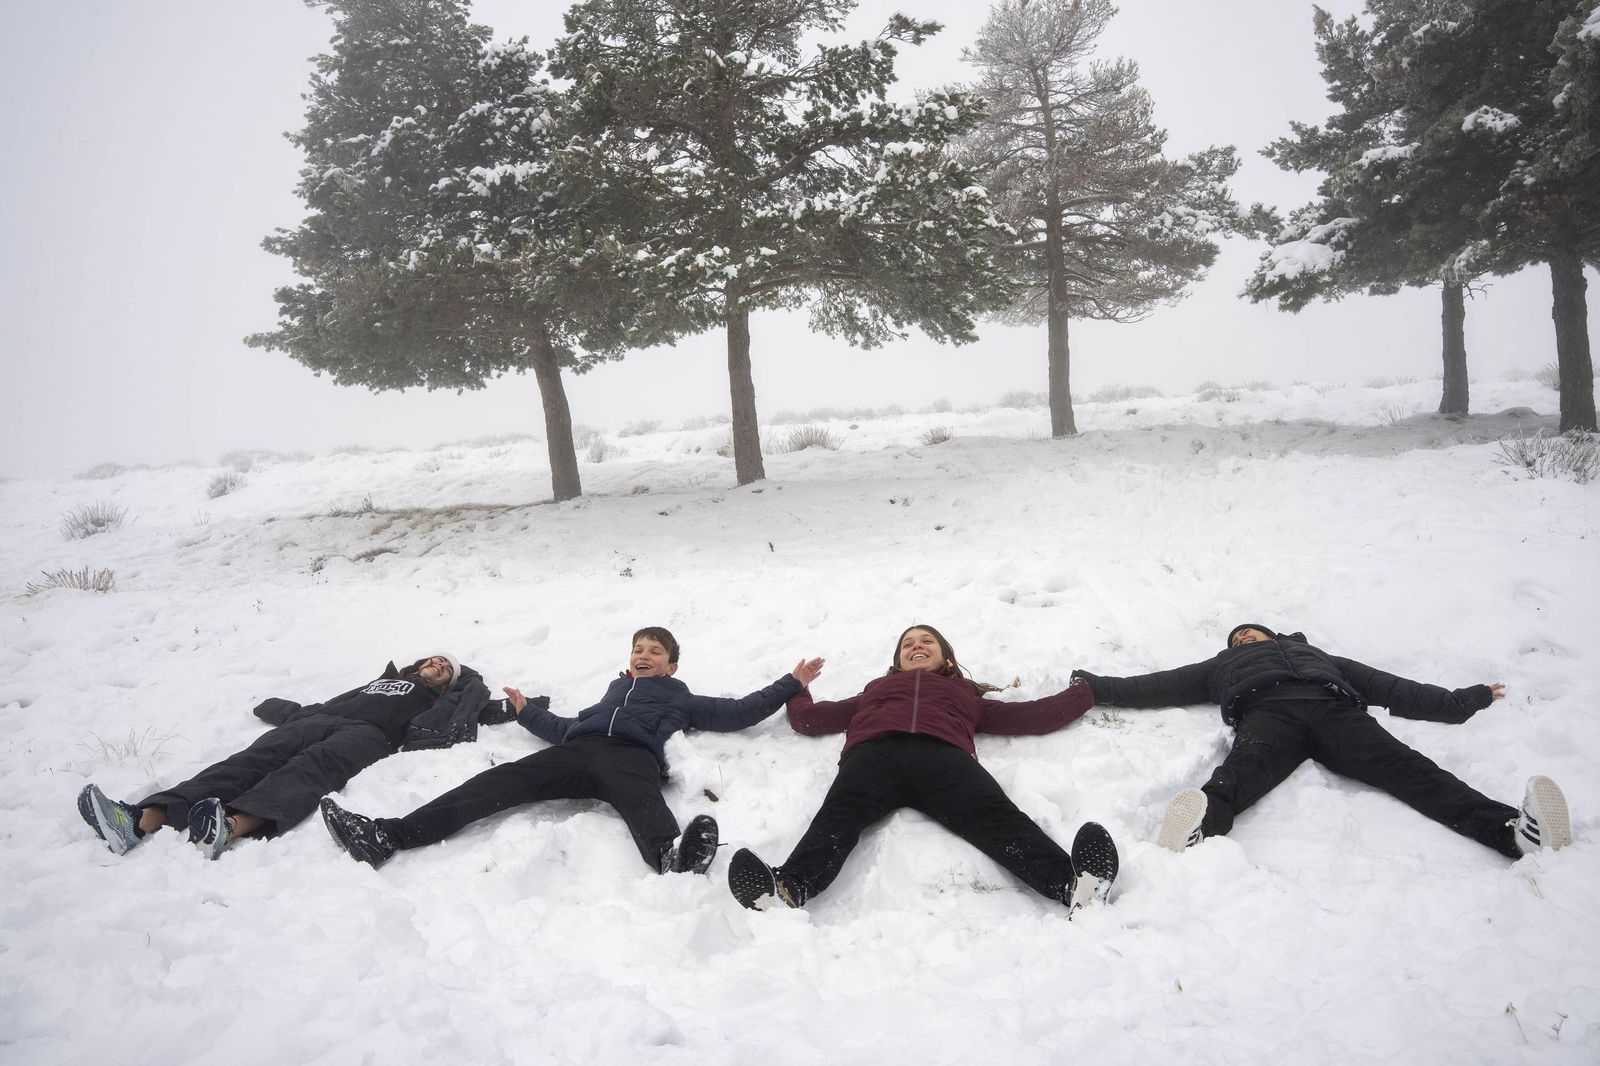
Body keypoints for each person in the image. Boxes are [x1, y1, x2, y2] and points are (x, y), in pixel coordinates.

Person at [320, 626, 825, 877]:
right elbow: (566, 728)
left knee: (642, 800)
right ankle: (388, 837)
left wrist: (791, 681)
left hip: (630, 757)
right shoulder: (609, 694)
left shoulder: (681, 698)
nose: (643, 656)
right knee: (495, 784)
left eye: (654, 652)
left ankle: (671, 857)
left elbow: (740, 710)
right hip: (577, 750)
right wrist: (524, 712)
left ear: (671, 665)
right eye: (637, 650)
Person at [1071, 623, 1572, 858]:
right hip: (1268, 714)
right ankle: (1198, 826)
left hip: (1336, 712)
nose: (1242, 640)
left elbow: (1393, 687)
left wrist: (1463, 701)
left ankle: (1512, 833)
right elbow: (1156, 685)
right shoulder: (1220, 666)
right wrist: (1094, 687)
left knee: (1415, 773)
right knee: (1239, 774)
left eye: (1250, 635)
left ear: (1276, 636)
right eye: (1235, 639)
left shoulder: (1325, 660)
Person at [727, 624, 1119, 913]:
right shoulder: (874, 691)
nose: (916, 646)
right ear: (897, 660)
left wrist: (1083, 693)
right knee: (838, 817)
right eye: (907, 644)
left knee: (997, 818)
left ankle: (1074, 885)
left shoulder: (965, 694)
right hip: (874, 756)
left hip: (943, 757)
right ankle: (785, 890)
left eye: (926, 641)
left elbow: (1032, 716)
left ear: (945, 656)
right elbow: (810, 720)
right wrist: (798, 690)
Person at [78, 654, 490, 860]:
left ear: (448, 684)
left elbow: (476, 703)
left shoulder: (445, 700)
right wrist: (289, 711)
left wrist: (480, 687)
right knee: (247, 761)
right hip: (326, 716)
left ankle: (229, 828)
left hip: (369, 736)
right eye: (434, 660)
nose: (437, 666)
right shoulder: (381, 682)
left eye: (446, 669)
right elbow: (331, 700)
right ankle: (138, 822)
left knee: (307, 773)